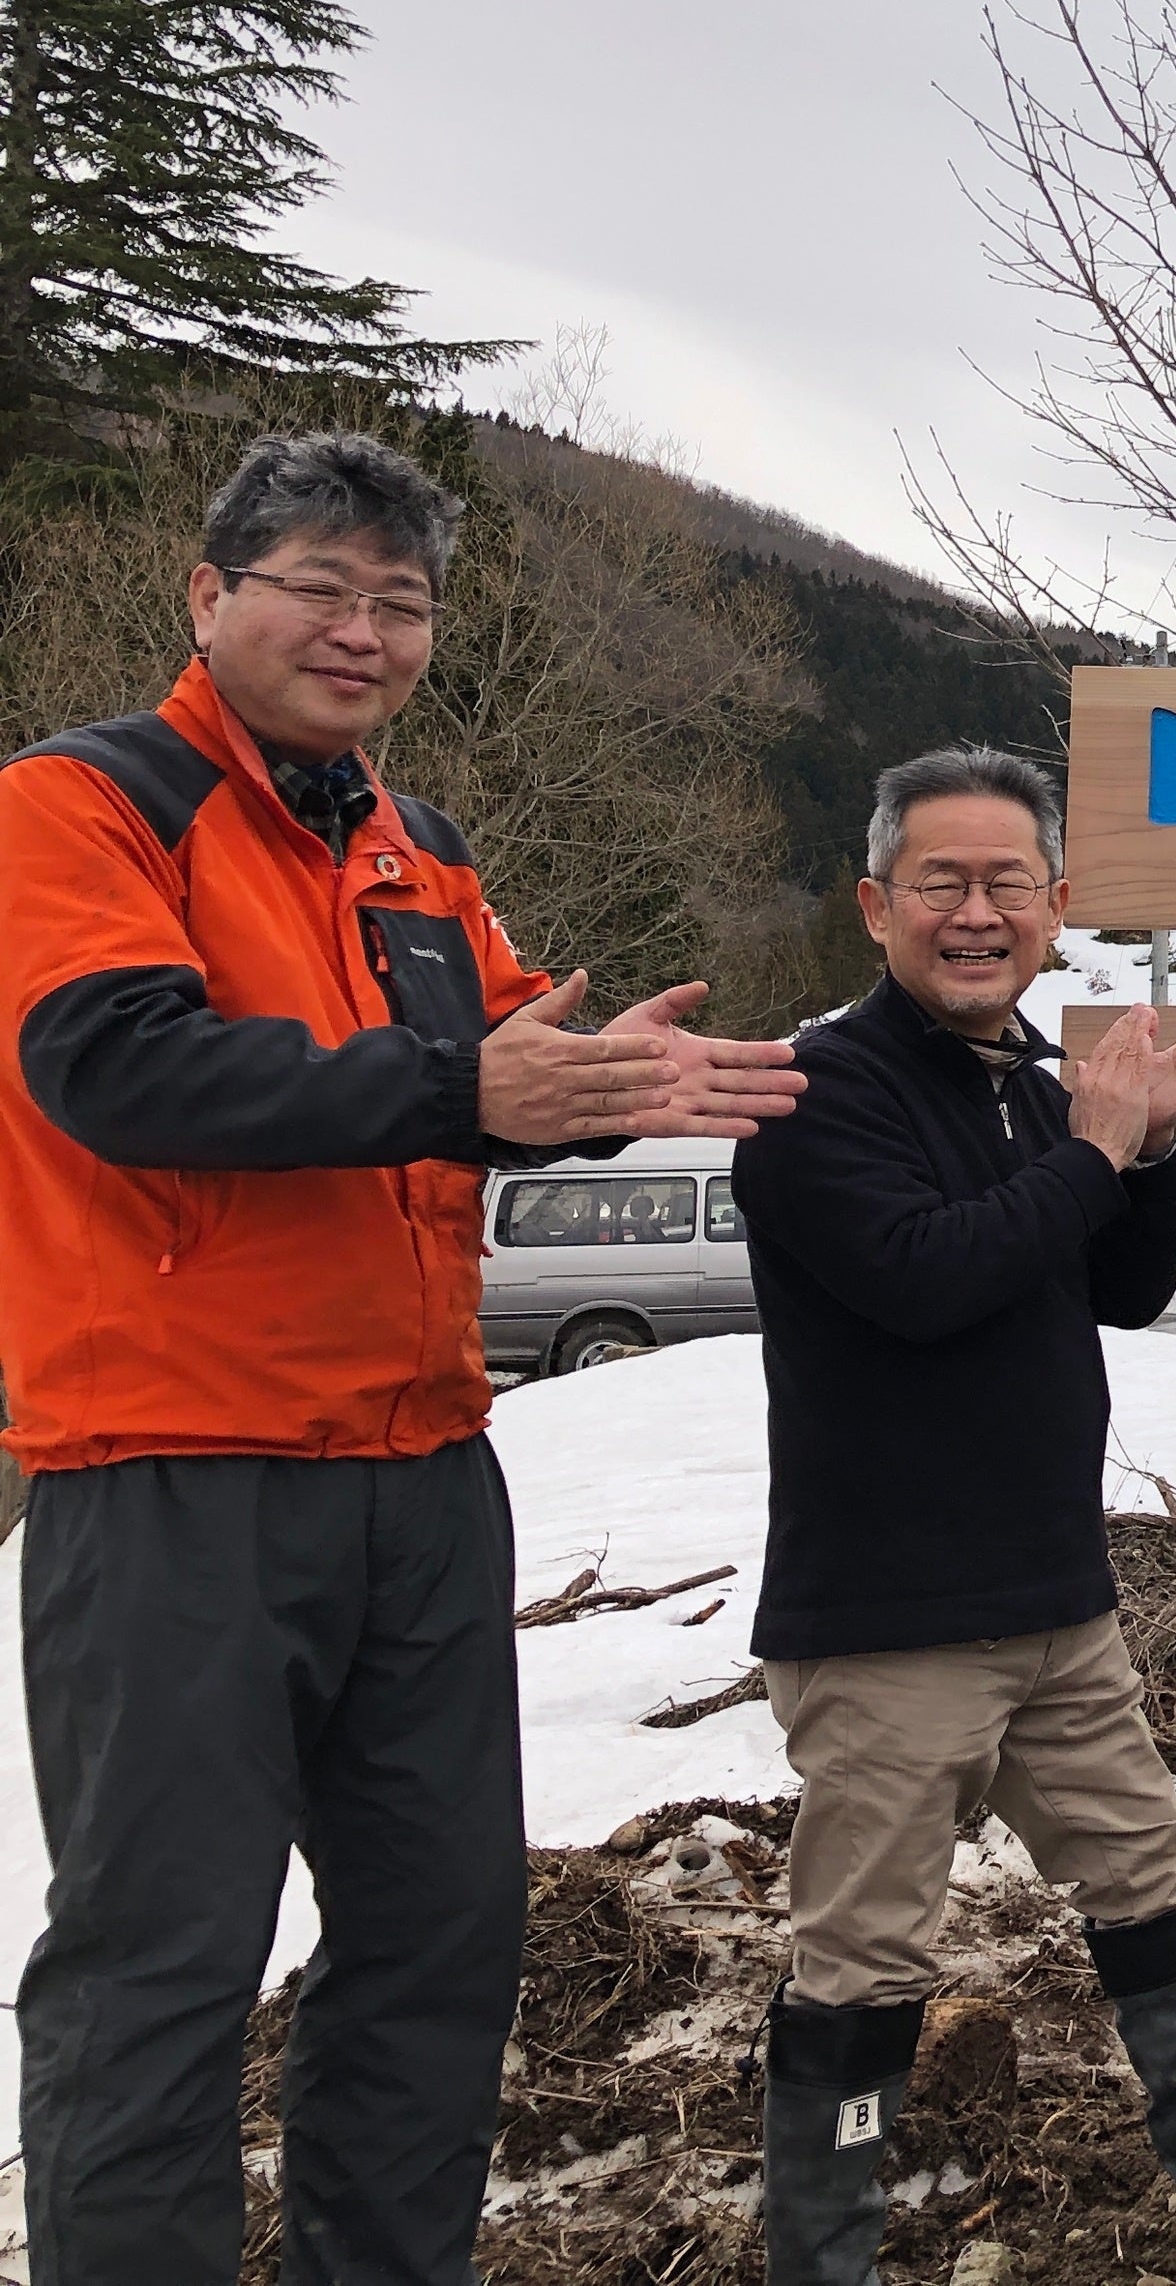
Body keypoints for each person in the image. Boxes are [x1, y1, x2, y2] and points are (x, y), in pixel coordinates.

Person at [0, 430, 805, 2283]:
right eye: (322, 589)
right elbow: (116, 1065)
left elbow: (492, 1071)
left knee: (443, 1934)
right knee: (162, 1957)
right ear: (210, 597)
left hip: (424, 1467)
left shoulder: (414, 845)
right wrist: (473, 1084)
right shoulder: (82, 801)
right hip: (174, 1468)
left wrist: (609, 1088)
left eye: (403, 601)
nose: (364, 632)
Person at [731, 746, 1176, 2282]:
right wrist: (1095, 1146)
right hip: (888, 1621)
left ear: (1057, 906)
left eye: (1009, 883)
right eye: (941, 880)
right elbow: (927, 1279)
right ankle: (823, 2259)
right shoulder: (816, 1093)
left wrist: (1157, 1143)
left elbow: (1121, 1283)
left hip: (1054, 1600)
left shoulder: (1033, 1092)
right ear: (875, 905)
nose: (976, 912)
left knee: (1161, 1877)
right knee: (864, 1959)